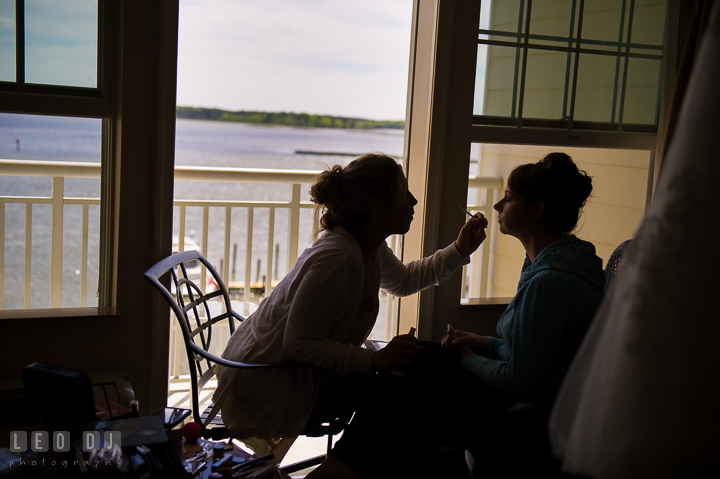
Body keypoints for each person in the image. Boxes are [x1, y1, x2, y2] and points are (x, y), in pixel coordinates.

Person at [308, 152, 605, 478]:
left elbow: (523, 380)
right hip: (520, 391)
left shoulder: (551, 280)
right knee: (415, 357)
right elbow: (533, 349)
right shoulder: (549, 262)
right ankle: (358, 465)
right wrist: (483, 342)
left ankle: (343, 467)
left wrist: (466, 355)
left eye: (508, 199)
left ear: (535, 211)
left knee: (405, 396)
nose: (497, 207)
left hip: (528, 409)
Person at [212, 153, 487, 457]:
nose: (414, 201)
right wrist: (373, 361)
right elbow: (298, 344)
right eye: (403, 193)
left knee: (436, 359)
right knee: (404, 396)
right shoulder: (339, 258)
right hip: (276, 384)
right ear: (378, 207)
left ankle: (444, 453)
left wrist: (459, 249)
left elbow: (404, 281)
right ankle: (351, 467)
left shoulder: (368, 245)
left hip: (309, 374)